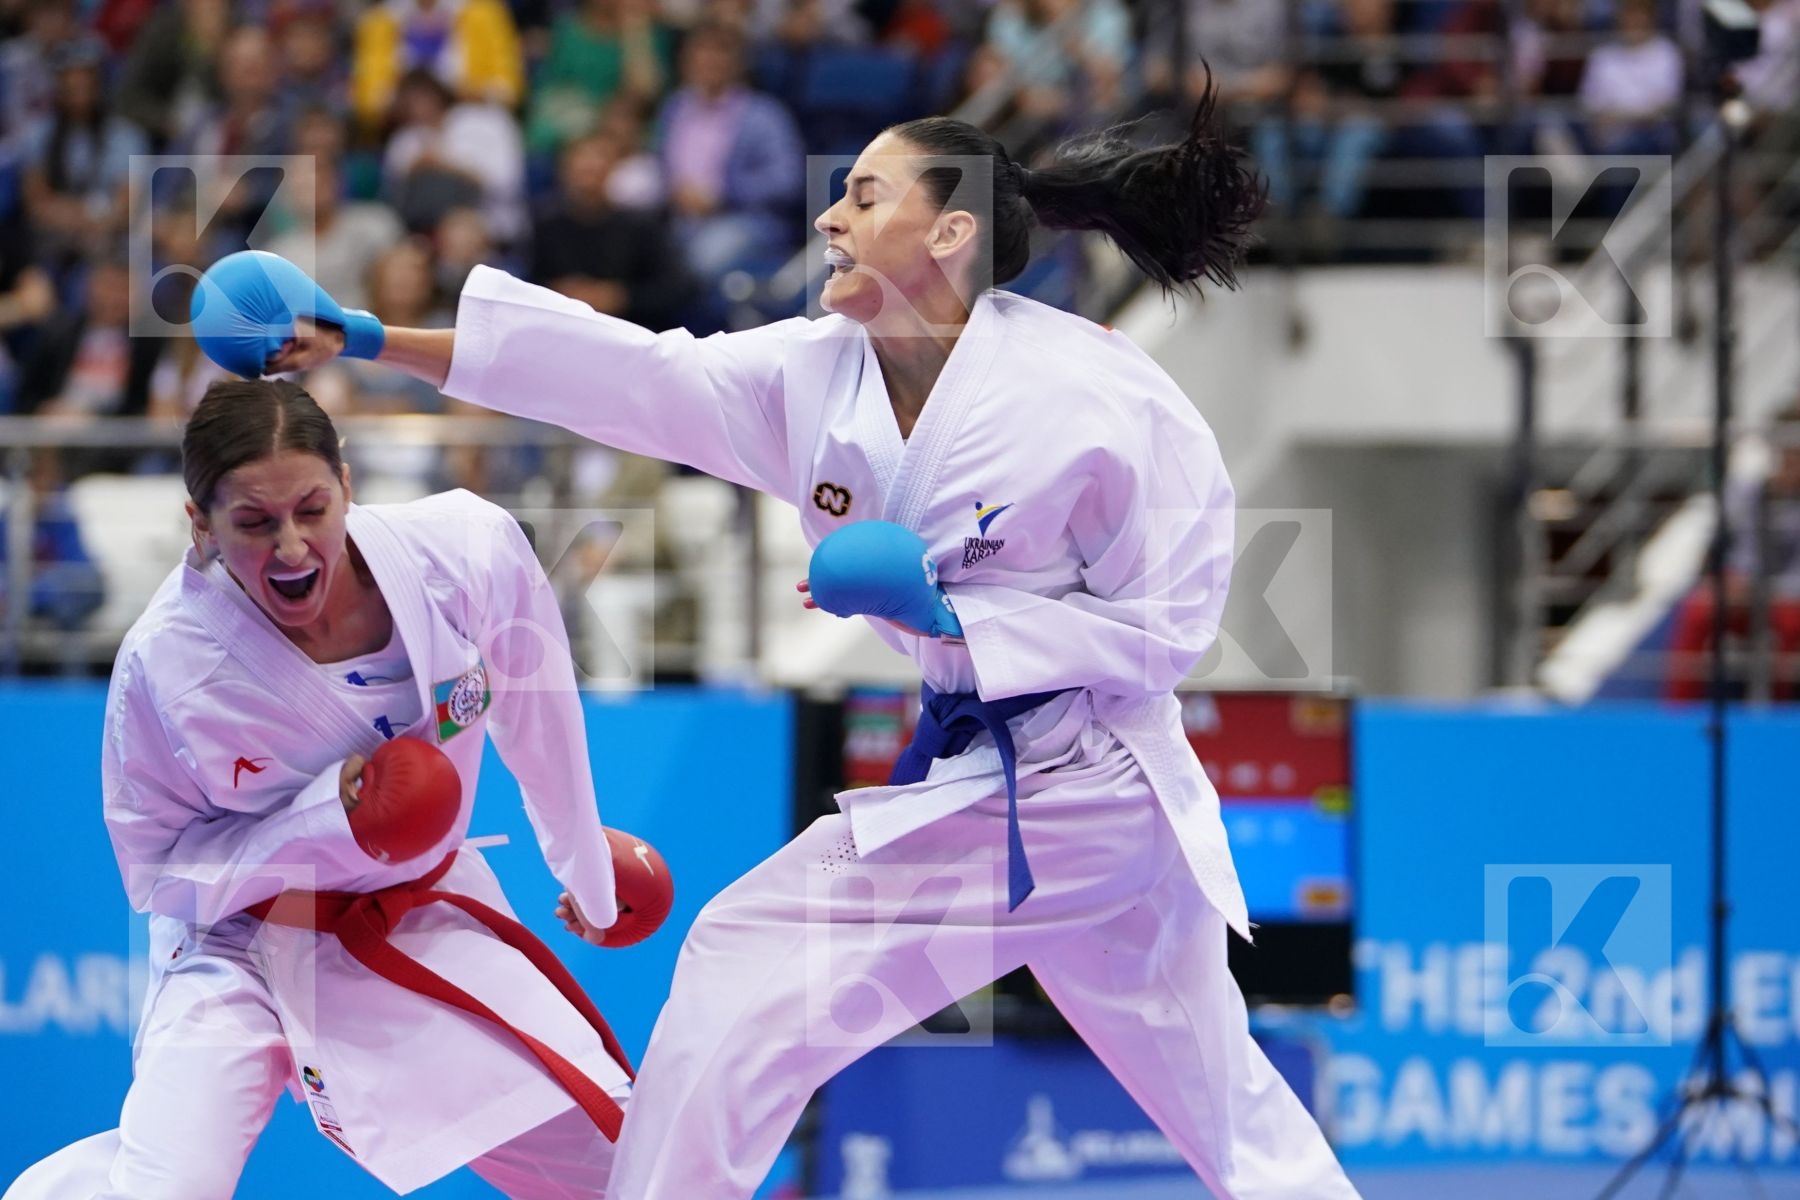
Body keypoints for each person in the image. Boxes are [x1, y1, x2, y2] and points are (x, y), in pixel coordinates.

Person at [190, 84, 1362, 1198]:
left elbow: (1169, 628)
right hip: (1048, 798)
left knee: (741, 961)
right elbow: (629, 375)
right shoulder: (816, 375)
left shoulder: (1099, 401)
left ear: (948, 232)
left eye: (862, 196)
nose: (828, 219)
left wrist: (960, 617)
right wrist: (368, 334)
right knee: (1228, 1111)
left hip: (1076, 777)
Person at [1, 380, 673, 1200]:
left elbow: (538, 708)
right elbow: (157, 876)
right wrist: (332, 822)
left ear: (347, 484)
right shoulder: (166, 665)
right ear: (200, 524)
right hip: (236, 945)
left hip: (414, 910)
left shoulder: (467, 552)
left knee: (626, 1172)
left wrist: (584, 869)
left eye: (312, 509)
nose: (290, 547)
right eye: (253, 523)